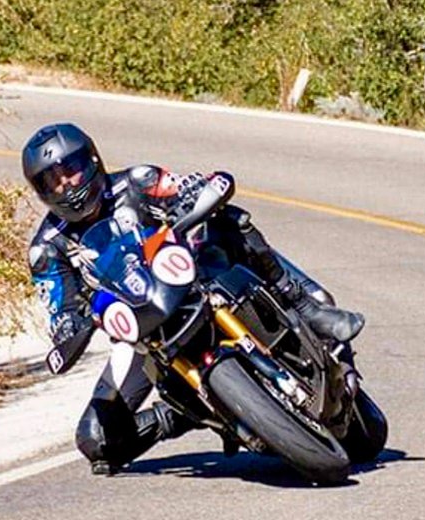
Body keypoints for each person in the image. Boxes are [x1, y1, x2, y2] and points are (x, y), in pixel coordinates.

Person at [23, 123, 364, 475]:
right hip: (143, 331)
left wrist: (193, 192)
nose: (67, 184)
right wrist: (68, 326)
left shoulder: (137, 181)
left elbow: (182, 186)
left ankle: (303, 304)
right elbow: (57, 304)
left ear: (93, 160)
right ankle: (185, 412)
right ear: (41, 190)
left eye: (71, 170)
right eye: (53, 180)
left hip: (193, 277)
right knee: (96, 438)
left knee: (229, 222)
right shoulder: (47, 249)